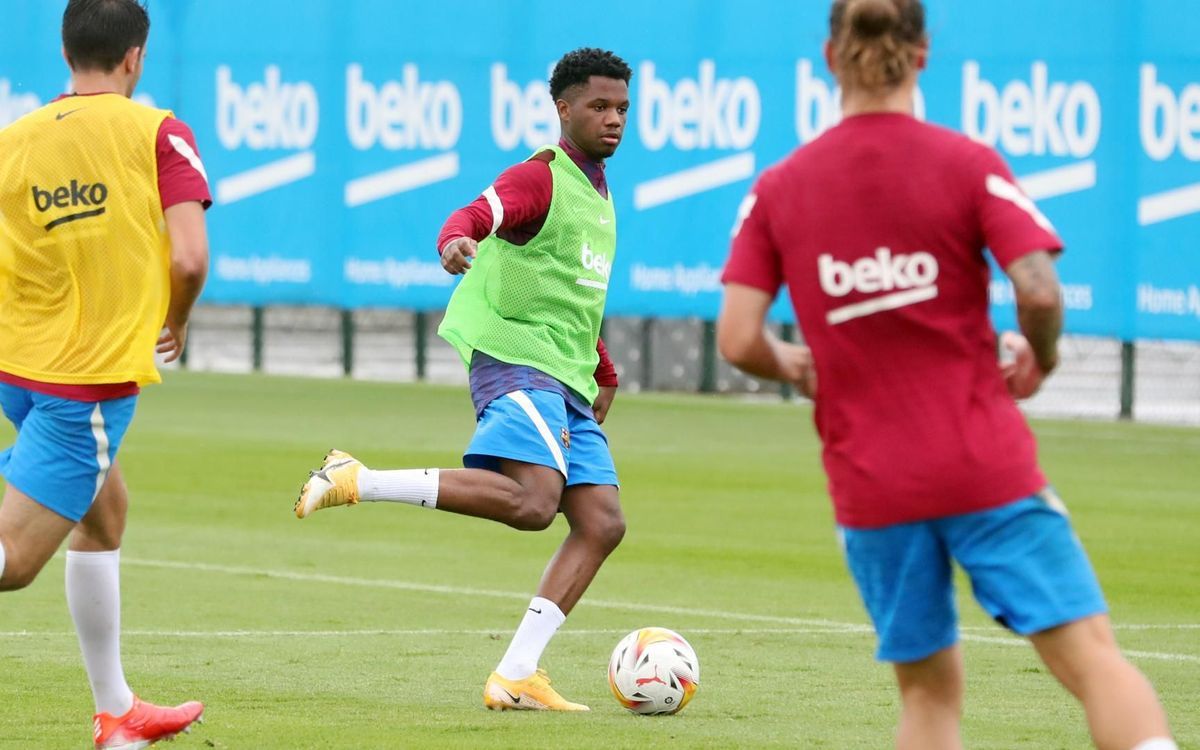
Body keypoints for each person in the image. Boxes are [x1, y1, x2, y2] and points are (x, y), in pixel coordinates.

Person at [717, 1, 1176, 749]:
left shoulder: (780, 187)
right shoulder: (967, 163)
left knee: (928, 698)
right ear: (922, 54)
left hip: (871, 483)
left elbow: (738, 338)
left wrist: (797, 364)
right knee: (1093, 662)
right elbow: (1037, 288)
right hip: (980, 465)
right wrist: (1042, 355)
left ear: (830, 57)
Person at [295, 47, 631, 713]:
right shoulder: (541, 177)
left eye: (622, 107)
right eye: (599, 106)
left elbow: (565, 289)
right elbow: (473, 215)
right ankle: (356, 479)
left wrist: (604, 366)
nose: (613, 119)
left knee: (601, 522)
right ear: (563, 109)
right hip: (515, 359)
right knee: (535, 504)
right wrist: (453, 242)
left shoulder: (598, 195)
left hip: (563, 370)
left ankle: (516, 674)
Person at [0, 0, 211, 746]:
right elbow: (188, 256)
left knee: (104, 511)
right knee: (13, 562)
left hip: (18, 366)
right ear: (136, 58)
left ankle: (116, 713)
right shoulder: (157, 130)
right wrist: (177, 320)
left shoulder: (14, 138)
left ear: (67, 51)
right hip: (86, 377)